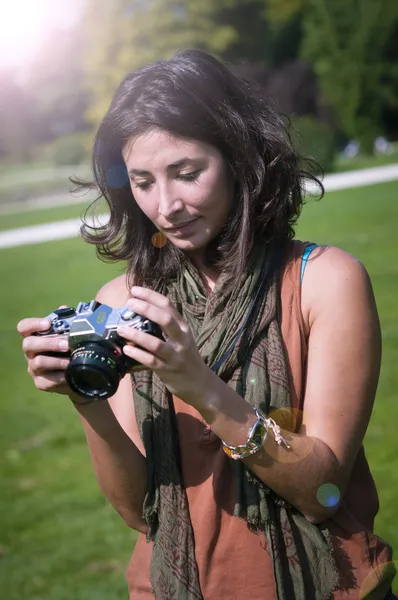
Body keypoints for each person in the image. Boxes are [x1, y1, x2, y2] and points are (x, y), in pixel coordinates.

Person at [17, 50, 397, 600]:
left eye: (187, 173)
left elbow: (325, 492)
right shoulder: (124, 301)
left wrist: (199, 386)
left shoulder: (323, 281)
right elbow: (139, 513)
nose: (166, 205)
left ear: (240, 157)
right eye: (143, 181)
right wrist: (85, 397)